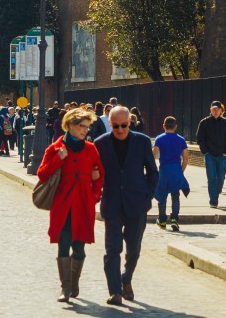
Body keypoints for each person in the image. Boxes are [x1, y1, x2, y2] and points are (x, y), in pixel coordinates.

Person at [37, 107, 104, 302]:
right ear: (70, 126)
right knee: (64, 243)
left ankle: (74, 283)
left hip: (84, 203)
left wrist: (94, 196)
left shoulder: (91, 149)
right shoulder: (56, 148)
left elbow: (100, 176)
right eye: (82, 126)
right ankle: (65, 288)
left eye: (87, 127)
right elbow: (42, 174)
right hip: (63, 204)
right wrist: (59, 159)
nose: (85, 130)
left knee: (80, 247)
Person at [95, 106, 158, 306]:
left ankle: (126, 279)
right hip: (112, 203)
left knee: (134, 249)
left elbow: (152, 172)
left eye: (123, 125)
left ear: (129, 122)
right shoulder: (100, 143)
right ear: (110, 124)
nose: (120, 129)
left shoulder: (142, 141)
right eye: (115, 126)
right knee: (112, 250)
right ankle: (115, 291)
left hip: (137, 203)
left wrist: (147, 195)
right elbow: (94, 171)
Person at [153, 117, 189, 232]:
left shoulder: (159, 139)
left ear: (164, 126)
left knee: (162, 194)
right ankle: (174, 219)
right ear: (175, 126)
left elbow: (153, 155)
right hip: (176, 169)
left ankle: (162, 220)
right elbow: (186, 158)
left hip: (164, 170)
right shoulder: (181, 140)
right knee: (175, 194)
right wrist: (181, 171)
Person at [194, 101, 226, 208]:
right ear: (210, 110)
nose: (216, 111)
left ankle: (217, 191)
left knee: (221, 177)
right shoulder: (204, 122)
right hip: (210, 155)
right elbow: (200, 138)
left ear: (221, 111)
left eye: (218, 109)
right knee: (211, 178)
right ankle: (213, 201)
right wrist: (205, 151)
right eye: (214, 109)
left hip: (222, 155)